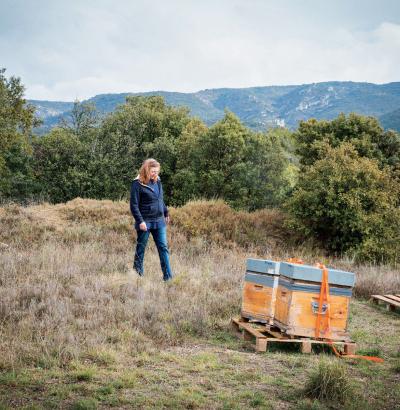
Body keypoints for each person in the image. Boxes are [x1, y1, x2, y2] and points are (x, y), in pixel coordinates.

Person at [130, 158, 173, 281]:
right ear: (146, 169)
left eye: (157, 171)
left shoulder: (157, 181)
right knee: (141, 248)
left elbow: (160, 199)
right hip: (145, 222)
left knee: (163, 248)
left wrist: (165, 212)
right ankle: (137, 275)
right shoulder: (137, 184)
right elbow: (134, 205)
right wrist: (140, 221)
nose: (155, 174)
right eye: (153, 171)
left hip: (159, 221)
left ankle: (168, 277)